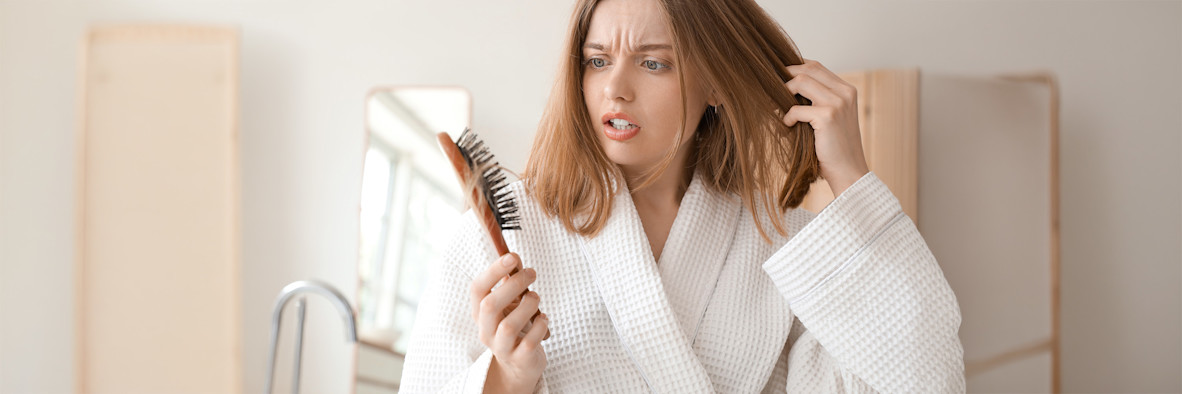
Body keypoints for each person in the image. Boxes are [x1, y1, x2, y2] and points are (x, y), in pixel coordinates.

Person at [400, 0, 965, 392]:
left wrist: (851, 178)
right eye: (597, 60)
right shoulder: (502, 236)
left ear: (716, 82)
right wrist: (507, 380)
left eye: (653, 63)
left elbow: (923, 380)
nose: (614, 88)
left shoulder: (791, 248)